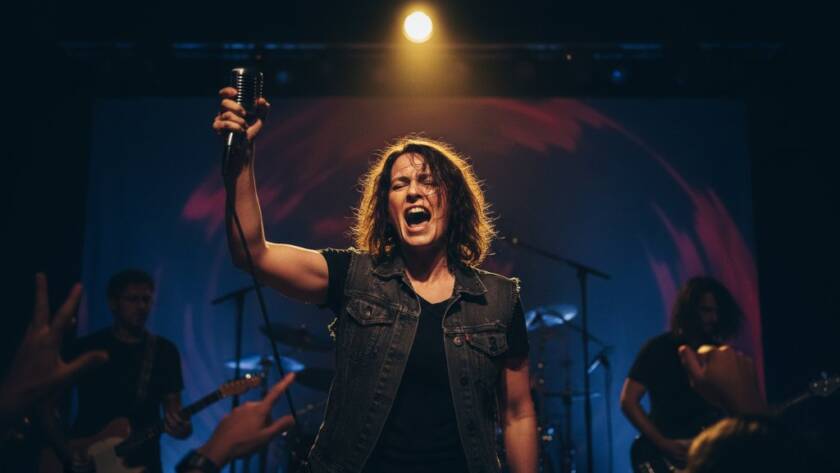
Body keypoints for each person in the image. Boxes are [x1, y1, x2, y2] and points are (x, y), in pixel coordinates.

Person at [213, 88, 538, 473]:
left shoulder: (499, 300)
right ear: (387, 208)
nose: (413, 191)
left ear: (453, 201)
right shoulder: (352, 276)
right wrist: (241, 158)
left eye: (427, 181)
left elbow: (518, 414)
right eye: (399, 185)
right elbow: (253, 253)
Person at [61, 269, 192, 473]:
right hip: (89, 462)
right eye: (133, 299)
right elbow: (52, 405)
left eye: (146, 300)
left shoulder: (164, 351)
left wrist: (181, 427)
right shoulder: (87, 348)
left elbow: (175, 413)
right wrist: (65, 449)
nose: (141, 307)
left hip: (142, 462)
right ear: (113, 303)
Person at [620, 276, 745, 466]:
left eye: (717, 312)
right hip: (663, 454)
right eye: (706, 310)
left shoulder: (719, 354)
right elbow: (628, 401)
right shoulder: (658, 348)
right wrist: (662, 443)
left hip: (706, 453)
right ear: (690, 310)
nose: (714, 318)